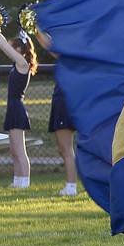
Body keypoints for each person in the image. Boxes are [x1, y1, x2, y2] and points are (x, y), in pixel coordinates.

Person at [35, 30, 79, 197]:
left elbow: (49, 44)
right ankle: (71, 185)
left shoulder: (71, 55)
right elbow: (49, 45)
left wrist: (36, 28)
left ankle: (71, 186)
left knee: (66, 148)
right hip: (63, 99)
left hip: (65, 100)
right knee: (64, 148)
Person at [0, 28, 37, 189]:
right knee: (14, 149)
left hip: (17, 108)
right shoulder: (17, 64)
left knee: (19, 150)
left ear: (19, 50)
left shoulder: (23, 63)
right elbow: (5, 47)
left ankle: (24, 182)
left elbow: (4, 46)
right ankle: (17, 180)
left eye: (14, 47)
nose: (11, 49)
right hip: (12, 107)